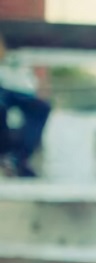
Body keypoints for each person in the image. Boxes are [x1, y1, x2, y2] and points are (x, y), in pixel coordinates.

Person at [0, 34, 51, 178]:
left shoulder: (16, 61)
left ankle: (18, 158)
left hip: (15, 92)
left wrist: (42, 84)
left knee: (42, 107)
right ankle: (5, 154)